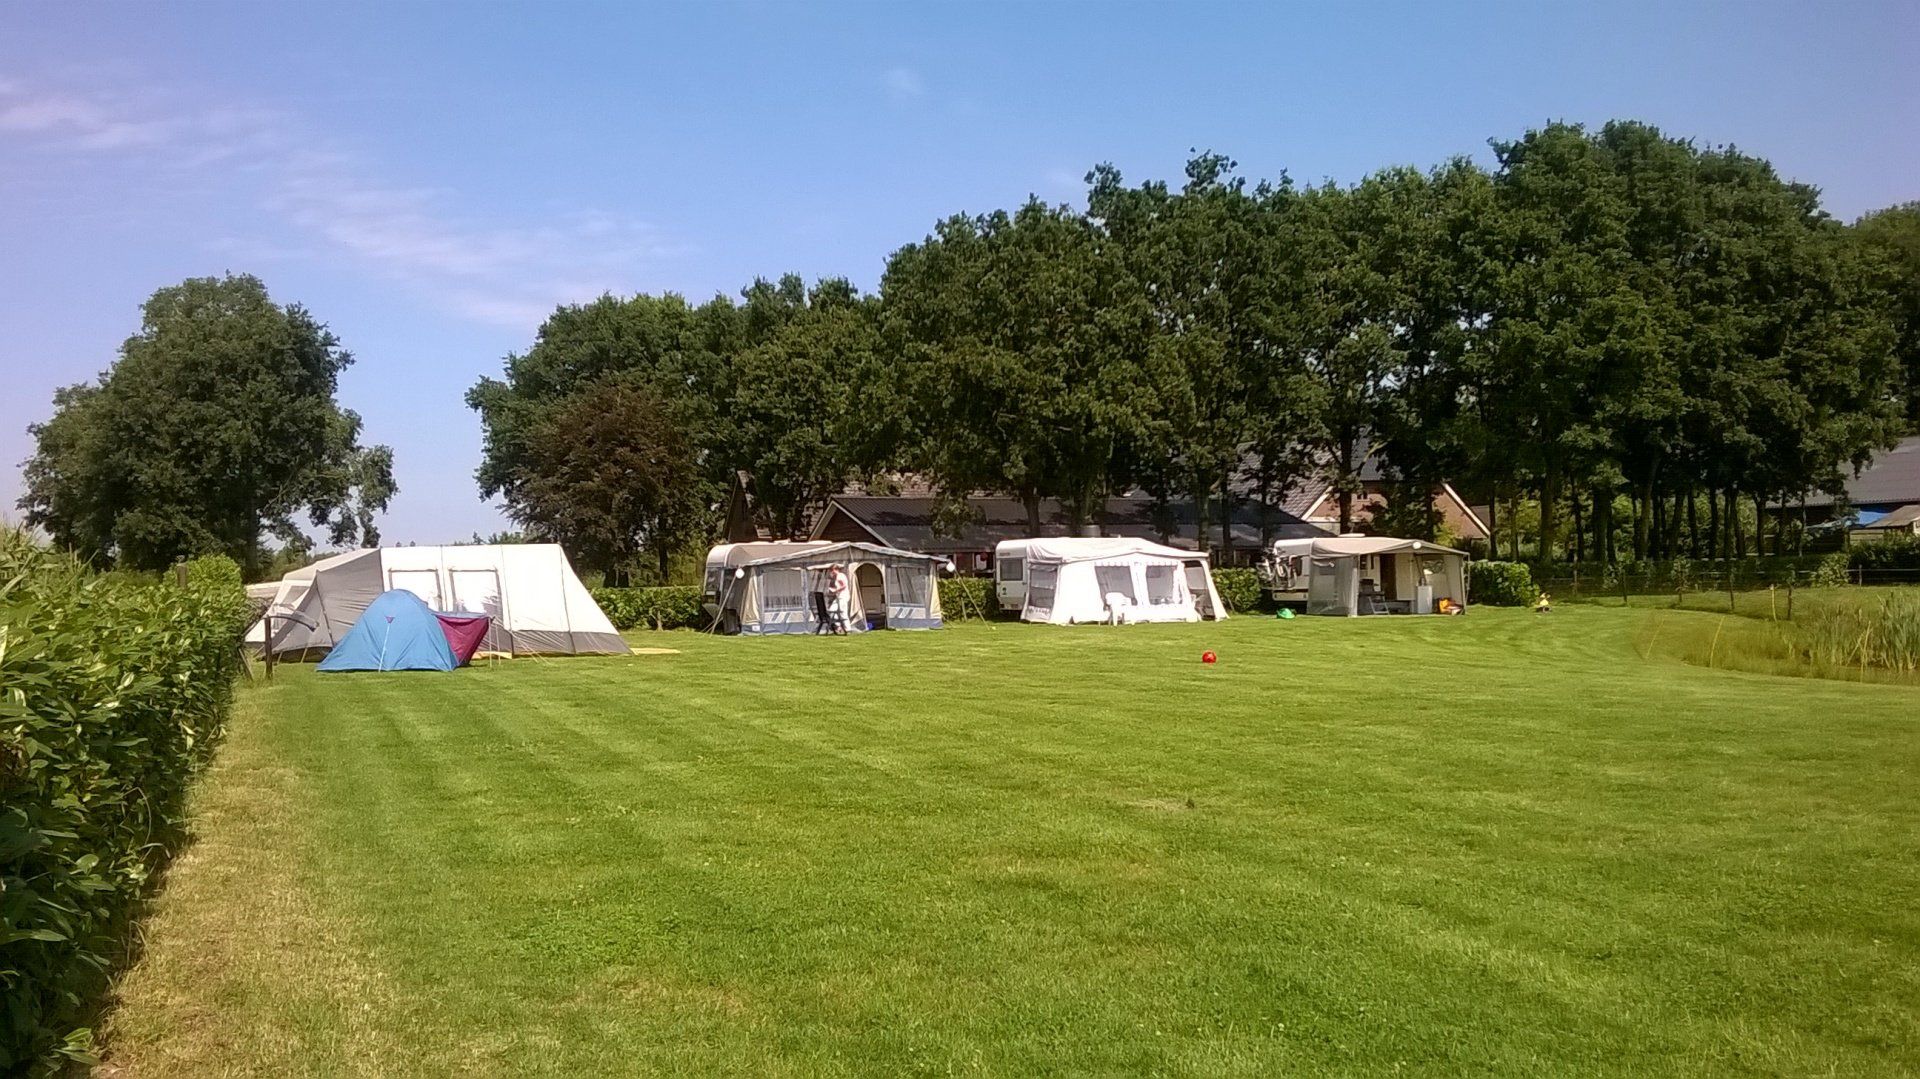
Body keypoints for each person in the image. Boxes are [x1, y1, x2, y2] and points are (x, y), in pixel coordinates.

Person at [825, 564, 850, 634]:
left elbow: (844, 585)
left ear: (835, 570)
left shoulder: (839, 576)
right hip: (841, 596)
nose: (831, 572)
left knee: (837, 611)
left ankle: (843, 627)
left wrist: (835, 590)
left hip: (842, 596)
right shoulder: (840, 576)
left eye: (831, 571)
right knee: (837, 611)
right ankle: (843, 627)